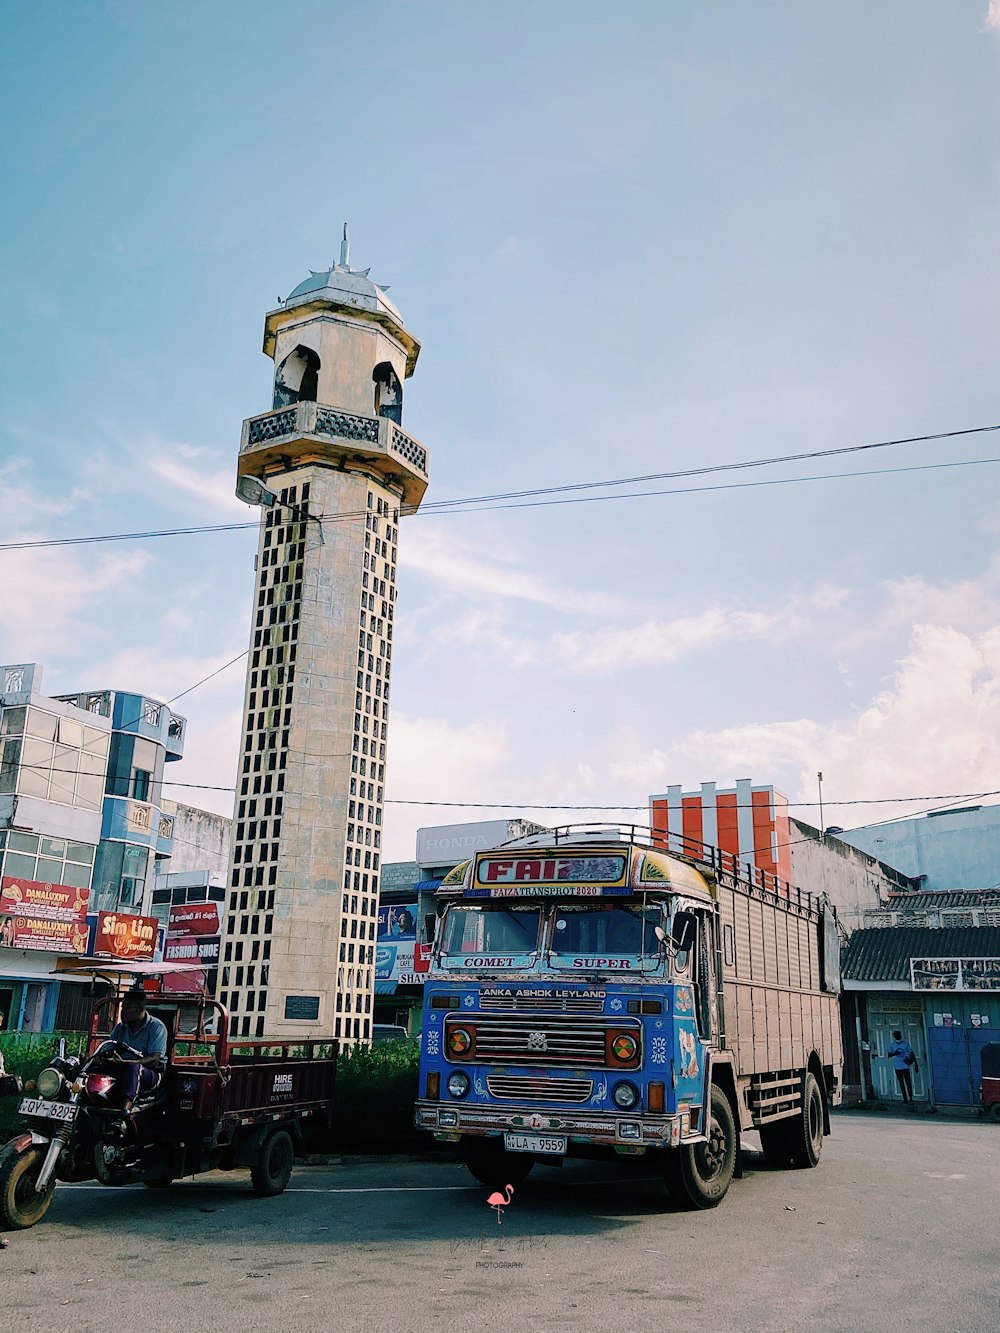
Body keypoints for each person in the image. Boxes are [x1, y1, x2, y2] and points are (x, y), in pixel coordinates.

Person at [108, 989, 169, 1109]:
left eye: (127, 1008)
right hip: (121, 1068)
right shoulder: (120, 1028)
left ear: (140, 1010)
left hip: (150, 1074)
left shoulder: (156, 1027)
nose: (123, 1011)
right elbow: (109, 1048)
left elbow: (154, 1059)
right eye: (123, 1007)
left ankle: (123, 1114)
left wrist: (127, 1063)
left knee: (133, 1069)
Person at [886, 1029, 918, 1106]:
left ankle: (910, 1098)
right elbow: (889, 1055)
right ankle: (905, 1099)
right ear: (894, 1036)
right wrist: (895, 1053)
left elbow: (912, 1053)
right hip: (898, 1067)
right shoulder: (892, 1045)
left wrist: (915, 1064)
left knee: (908, 1083)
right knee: (901, 1083)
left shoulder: (905, 1044)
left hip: (905, 1066)